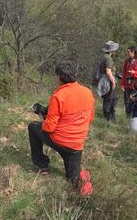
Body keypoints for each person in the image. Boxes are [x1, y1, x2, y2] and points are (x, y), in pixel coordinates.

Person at [27, 61, 95, 195]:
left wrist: (43, 119)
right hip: (76, 146)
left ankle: (41, 164)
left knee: (33, 127)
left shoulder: (58, 96)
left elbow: (49, 128)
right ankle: (84, 188)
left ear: (59, 77)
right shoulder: (88, 92)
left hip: (60, 140)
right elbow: (90, 118)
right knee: (73, 180)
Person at [120, 46, 137, 117]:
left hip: (135, 86)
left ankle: (135, 116)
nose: (127, 53)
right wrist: (122, 84)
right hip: (127, 85)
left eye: (128, 52)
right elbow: (124, 73)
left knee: (135, 101)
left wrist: (134, 73)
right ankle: (128, 116)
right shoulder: (127, 61)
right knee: (127, 102)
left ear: (133, 52)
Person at [97, 41, 119, 121]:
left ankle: (110, 117)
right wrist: (113, 82)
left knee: (110, 98)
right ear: (111, 50)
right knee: (110, 99)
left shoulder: (103, 56)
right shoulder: (108, 58)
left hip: (105, 80)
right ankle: (108, 118)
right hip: (108, 81)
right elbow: (108, 72)